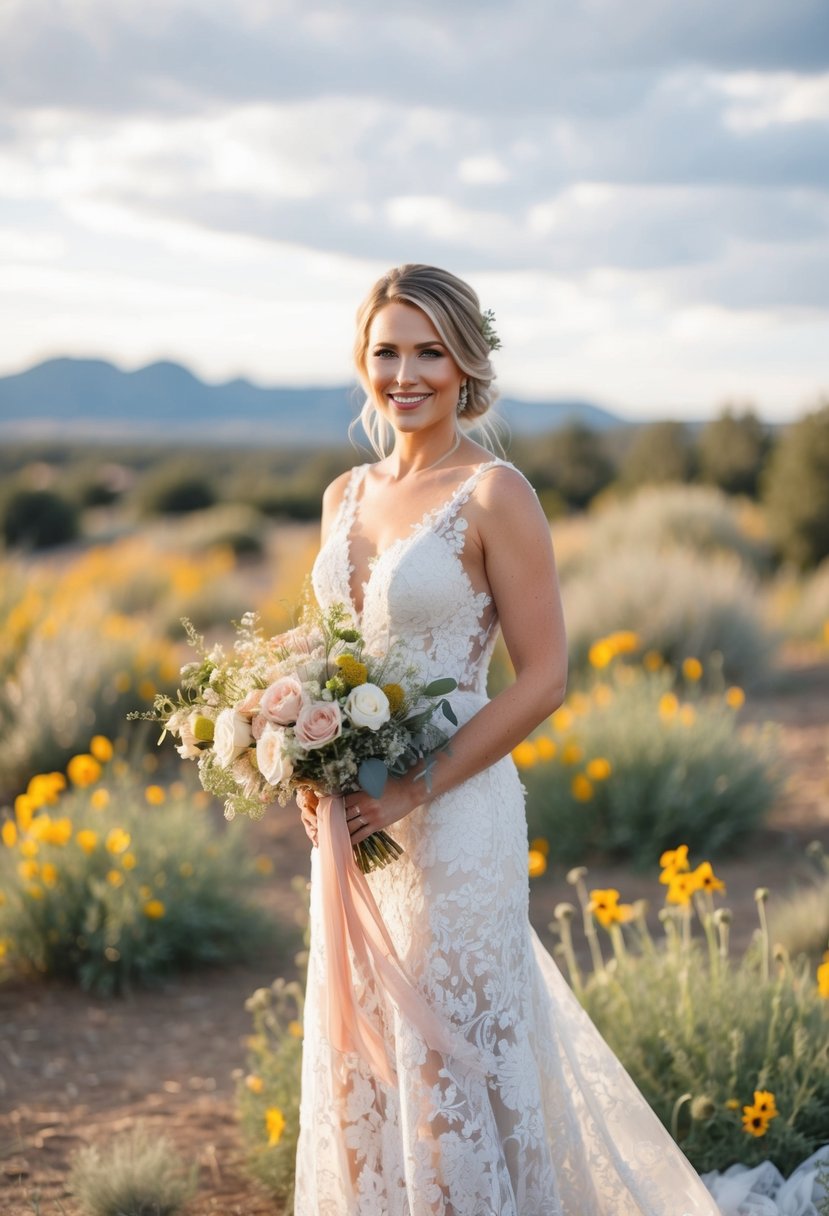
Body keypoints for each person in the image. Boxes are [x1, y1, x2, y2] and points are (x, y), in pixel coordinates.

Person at [293, 264, 720, 1215]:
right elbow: (327, 661)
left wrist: (414, 788)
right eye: (386, 352)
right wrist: (297, 757)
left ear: (464, 364)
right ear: (363, 363)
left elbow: (545, 677)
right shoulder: (342, 496)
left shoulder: (493, 494)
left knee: (452, 1054)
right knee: (365, 1052)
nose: (405, 374)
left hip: (458, 813)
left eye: (428, 352)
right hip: (353, 824)